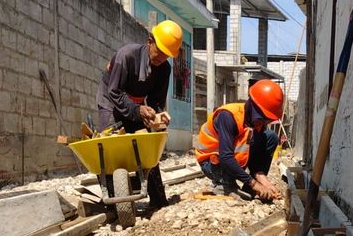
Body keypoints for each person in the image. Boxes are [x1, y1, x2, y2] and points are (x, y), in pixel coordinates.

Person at [96, 20, 183, 207]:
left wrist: (157, 116)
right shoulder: (126, 56)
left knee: (146, 147)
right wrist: (137, 110)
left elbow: (156, 101)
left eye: (167, 55)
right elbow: (114, 92)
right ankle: (113, 204)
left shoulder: (164, 69)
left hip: (136, 105)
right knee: (109, 148)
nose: (162, 57)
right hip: (110, 101)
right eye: (160, 51)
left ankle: (158, 200)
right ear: (149, 41)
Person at [194, 79, 284, 201]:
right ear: (254, 107)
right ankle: (224, 184)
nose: (263, 124)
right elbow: (226, 157)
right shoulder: (228, 116)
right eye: (262, 119)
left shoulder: (255, 121)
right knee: (225, 162)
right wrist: (254, 184)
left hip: (232, 162)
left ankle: (250, 187)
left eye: (266, 121)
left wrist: (262, 179)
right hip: (213, 163)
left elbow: (255, 150)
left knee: (270, 137)